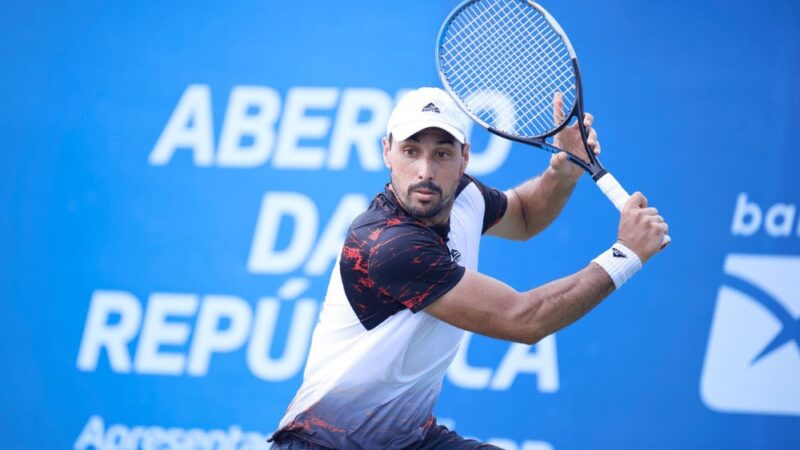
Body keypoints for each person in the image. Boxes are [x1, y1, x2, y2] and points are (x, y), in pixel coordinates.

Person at [268, 87, 668, 449]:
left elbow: (526, 215)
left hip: (410, 440)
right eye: (411, 151)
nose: (425, 170)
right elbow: (522, 319)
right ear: (387, 151)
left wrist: (562, 172)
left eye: (442, 153)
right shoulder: (389, 243)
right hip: (325, 444)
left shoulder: (463, 196)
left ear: (464, 158)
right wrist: (625, 254)